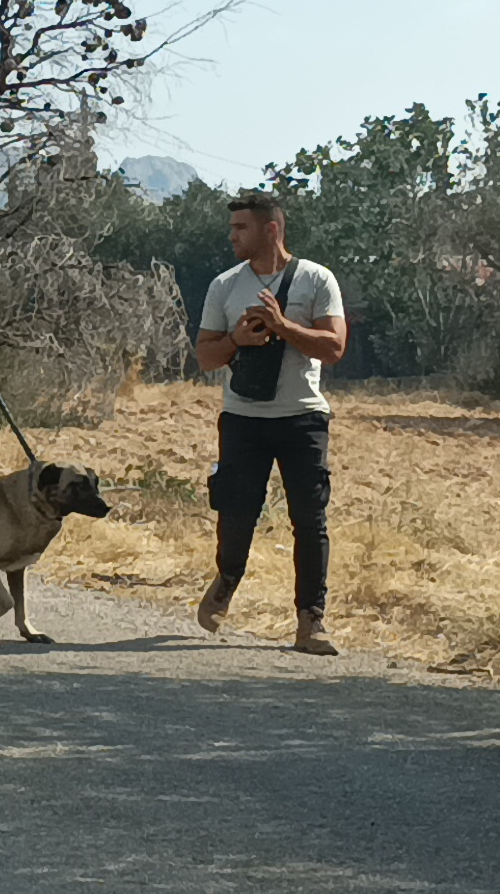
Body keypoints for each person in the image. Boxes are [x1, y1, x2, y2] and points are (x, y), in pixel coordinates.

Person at [193, 192, 348, 656]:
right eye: (232, 227)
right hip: (242, 418)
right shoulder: (224, 285)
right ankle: (226, 580)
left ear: (271, 229)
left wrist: (282, 326)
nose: (232, 236)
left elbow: (334, 348)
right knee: (237, 513)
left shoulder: (317, 279)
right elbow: (204, 358)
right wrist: (238, 339)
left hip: (303, 418)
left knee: (310, 520)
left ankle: (310, 622)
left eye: (241, 227)